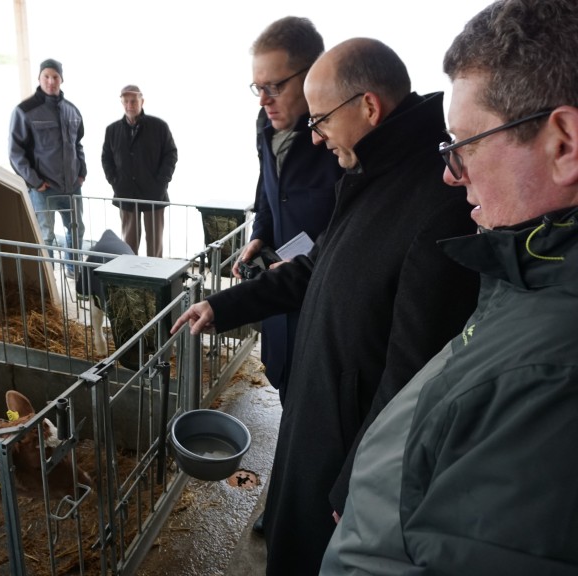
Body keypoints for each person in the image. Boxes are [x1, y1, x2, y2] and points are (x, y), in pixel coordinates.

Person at [171, 38, 480, 575]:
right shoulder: (368, 175)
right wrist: (223, 306)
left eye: (321, 121)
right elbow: (318, 270)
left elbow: (413, 379)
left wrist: (357, 482)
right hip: (317, 427)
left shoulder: (436, 205)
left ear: (368, 107)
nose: (314, 137)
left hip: (344, 461)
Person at [321, 1, 578, 574]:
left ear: (563, 143)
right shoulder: (523, 275)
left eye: (464, 143)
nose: (449, 172)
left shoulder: (552, 374)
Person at [241, 16, 343, 405]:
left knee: (315, 397)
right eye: (258, 87)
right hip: (281, 285)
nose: (264, 100)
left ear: (311, 75)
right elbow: (267, 186)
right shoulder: (264, 123)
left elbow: (355, 222)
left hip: (324, 296)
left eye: (274, 87)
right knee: (284, 381)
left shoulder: (339, 134)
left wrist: (314, 262)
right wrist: (260, 234)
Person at [9, 58, 87, 270]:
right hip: (43, 189)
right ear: (39, 78)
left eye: (55, 77)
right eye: (47, 76)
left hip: (72, 186)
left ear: (62, 79)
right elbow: (16, 153)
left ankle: (74, 271)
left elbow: (78, 144)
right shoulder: (24, 110)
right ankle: (48, 281)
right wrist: (35, 182)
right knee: (46, 236)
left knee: (77, 229)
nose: (51, 81)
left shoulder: (72, 110)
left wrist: (82, 172)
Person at [101, 85, 178, 258]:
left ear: (142, 101)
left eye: (134, 100)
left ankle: (155, 280)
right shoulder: (112, 130)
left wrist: (162, 181)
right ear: (122, 103)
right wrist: (115, 181)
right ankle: (132, 281)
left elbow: (171, 154)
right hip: (126, 192)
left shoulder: (159, 126)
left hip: (154, 193)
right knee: (128, 244)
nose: (130, 105)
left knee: (155, 245)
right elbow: (106, 158)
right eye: (126, 101)